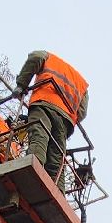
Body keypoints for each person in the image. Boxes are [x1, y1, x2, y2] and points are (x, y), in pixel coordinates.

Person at [14, 50, 89, 181]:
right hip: (66, 118)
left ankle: (31, 169)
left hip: (44, 103)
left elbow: (35, 57)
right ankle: (58, 189)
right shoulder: (81, 83)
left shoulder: (48, 57)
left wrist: (21, 85)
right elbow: (82, 112)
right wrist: (71, 120)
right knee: (57, 155)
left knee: (39, 135)